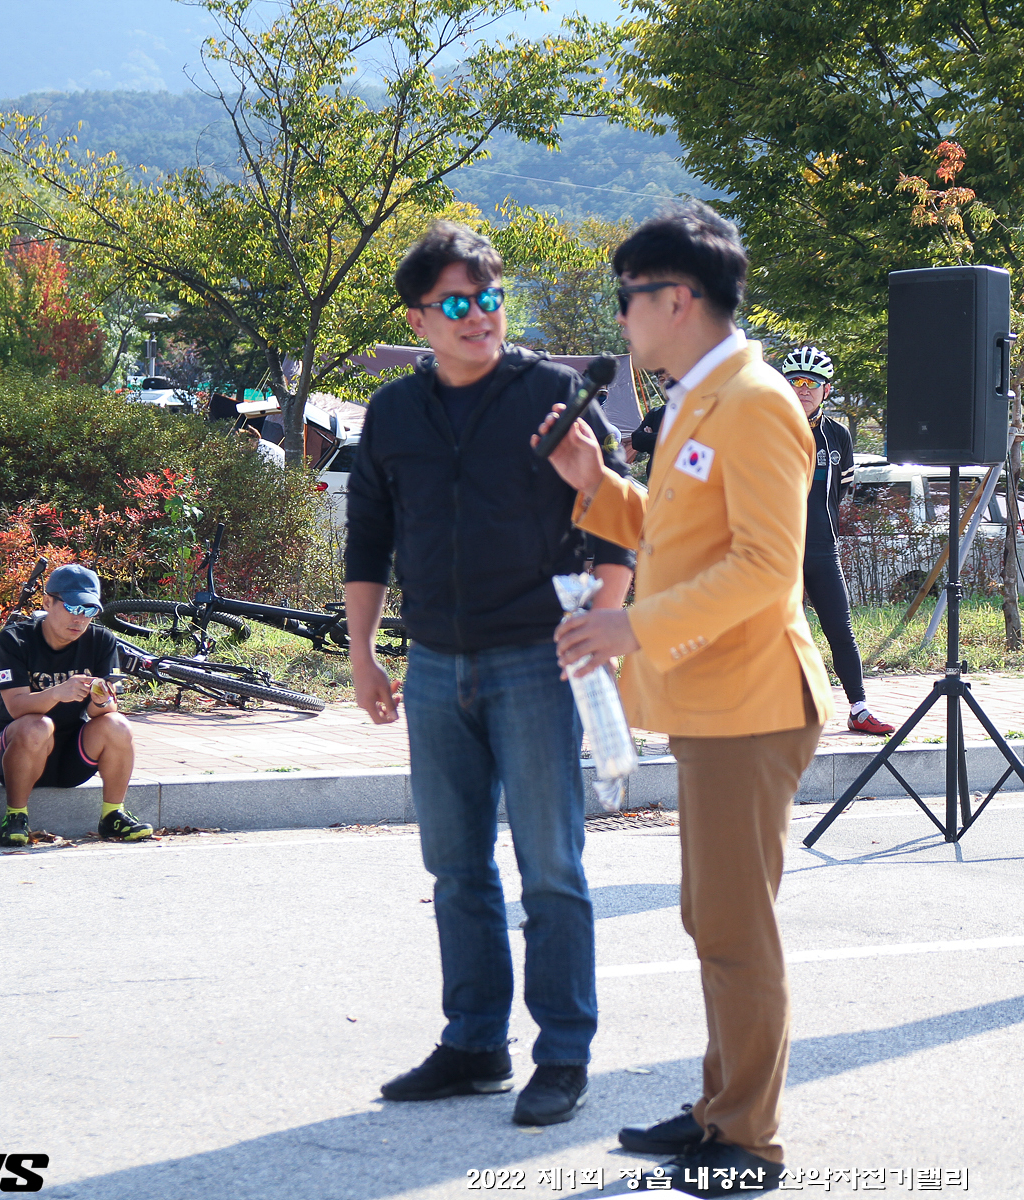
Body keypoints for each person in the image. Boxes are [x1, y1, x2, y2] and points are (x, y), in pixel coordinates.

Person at [539, 201, 835, 1194]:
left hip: (754, 702)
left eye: (628, 297)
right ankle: (719, 1108)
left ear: (677, 299)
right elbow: (677, 536)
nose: (621, 318)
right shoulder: (701, 399)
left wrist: (632, 627)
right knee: (713, 921)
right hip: (718, 704)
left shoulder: (753, 402)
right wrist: (595, 483)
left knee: (737, 930)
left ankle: (749, 1137)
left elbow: (766, 567)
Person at [344, 220, 635, 1127]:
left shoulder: (552, 394)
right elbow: (368, 540)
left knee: (550, 867)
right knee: (456, 868)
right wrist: (362, 653)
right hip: (434, 663)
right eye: (458, 304)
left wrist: (603, 620)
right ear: (418, 319)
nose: (479, 317)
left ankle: (564, 1054)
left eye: (491, 298)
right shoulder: (393, 413)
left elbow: (616, 520)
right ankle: (474, 1044)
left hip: (538, 660)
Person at [0, 564, 152, 847]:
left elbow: (103, 712)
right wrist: (58, 693)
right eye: (72, 607)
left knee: (117, 724)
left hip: (71, 759)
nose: (80, 618)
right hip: (12, 755)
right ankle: (15, 816)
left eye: (89, 610)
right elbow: (16, 708)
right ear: (47, 602)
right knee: (37, 725)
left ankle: (113, 815)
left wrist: (101, 700)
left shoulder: (101, 640)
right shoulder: (13, 640)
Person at [780, 347, 894, 736]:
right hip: (778, 549)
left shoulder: (838, 435)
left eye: (811, 383)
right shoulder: (767, 427)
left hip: (822, 547)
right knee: (781, 632)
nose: (803, 389)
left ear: (826, 390)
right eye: (795, 381)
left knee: (840, 629)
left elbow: (840, 492)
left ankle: (859, 709)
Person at [626, 401, 665, 481]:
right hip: (654, 476)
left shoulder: (690, 416)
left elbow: (680, 439)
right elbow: (636, 442)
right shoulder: (657, 413)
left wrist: (650, 438)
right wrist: (658, 439)